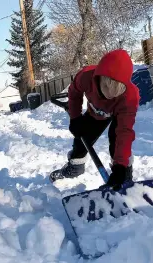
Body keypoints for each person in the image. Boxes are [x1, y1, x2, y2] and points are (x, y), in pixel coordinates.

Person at [50, 49, 140, 190]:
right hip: (95, 114)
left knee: (117, 142)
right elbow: (74, 93)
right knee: (81, 140)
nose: (110, 97)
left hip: (118, 116)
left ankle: (124, 175)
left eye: (116, 93)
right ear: (99, 78)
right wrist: (75, 118)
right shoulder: (85, 76)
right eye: (106, 90)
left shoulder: (130, 97)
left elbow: (125, 131)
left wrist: (120, 166)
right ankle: (75, 167)